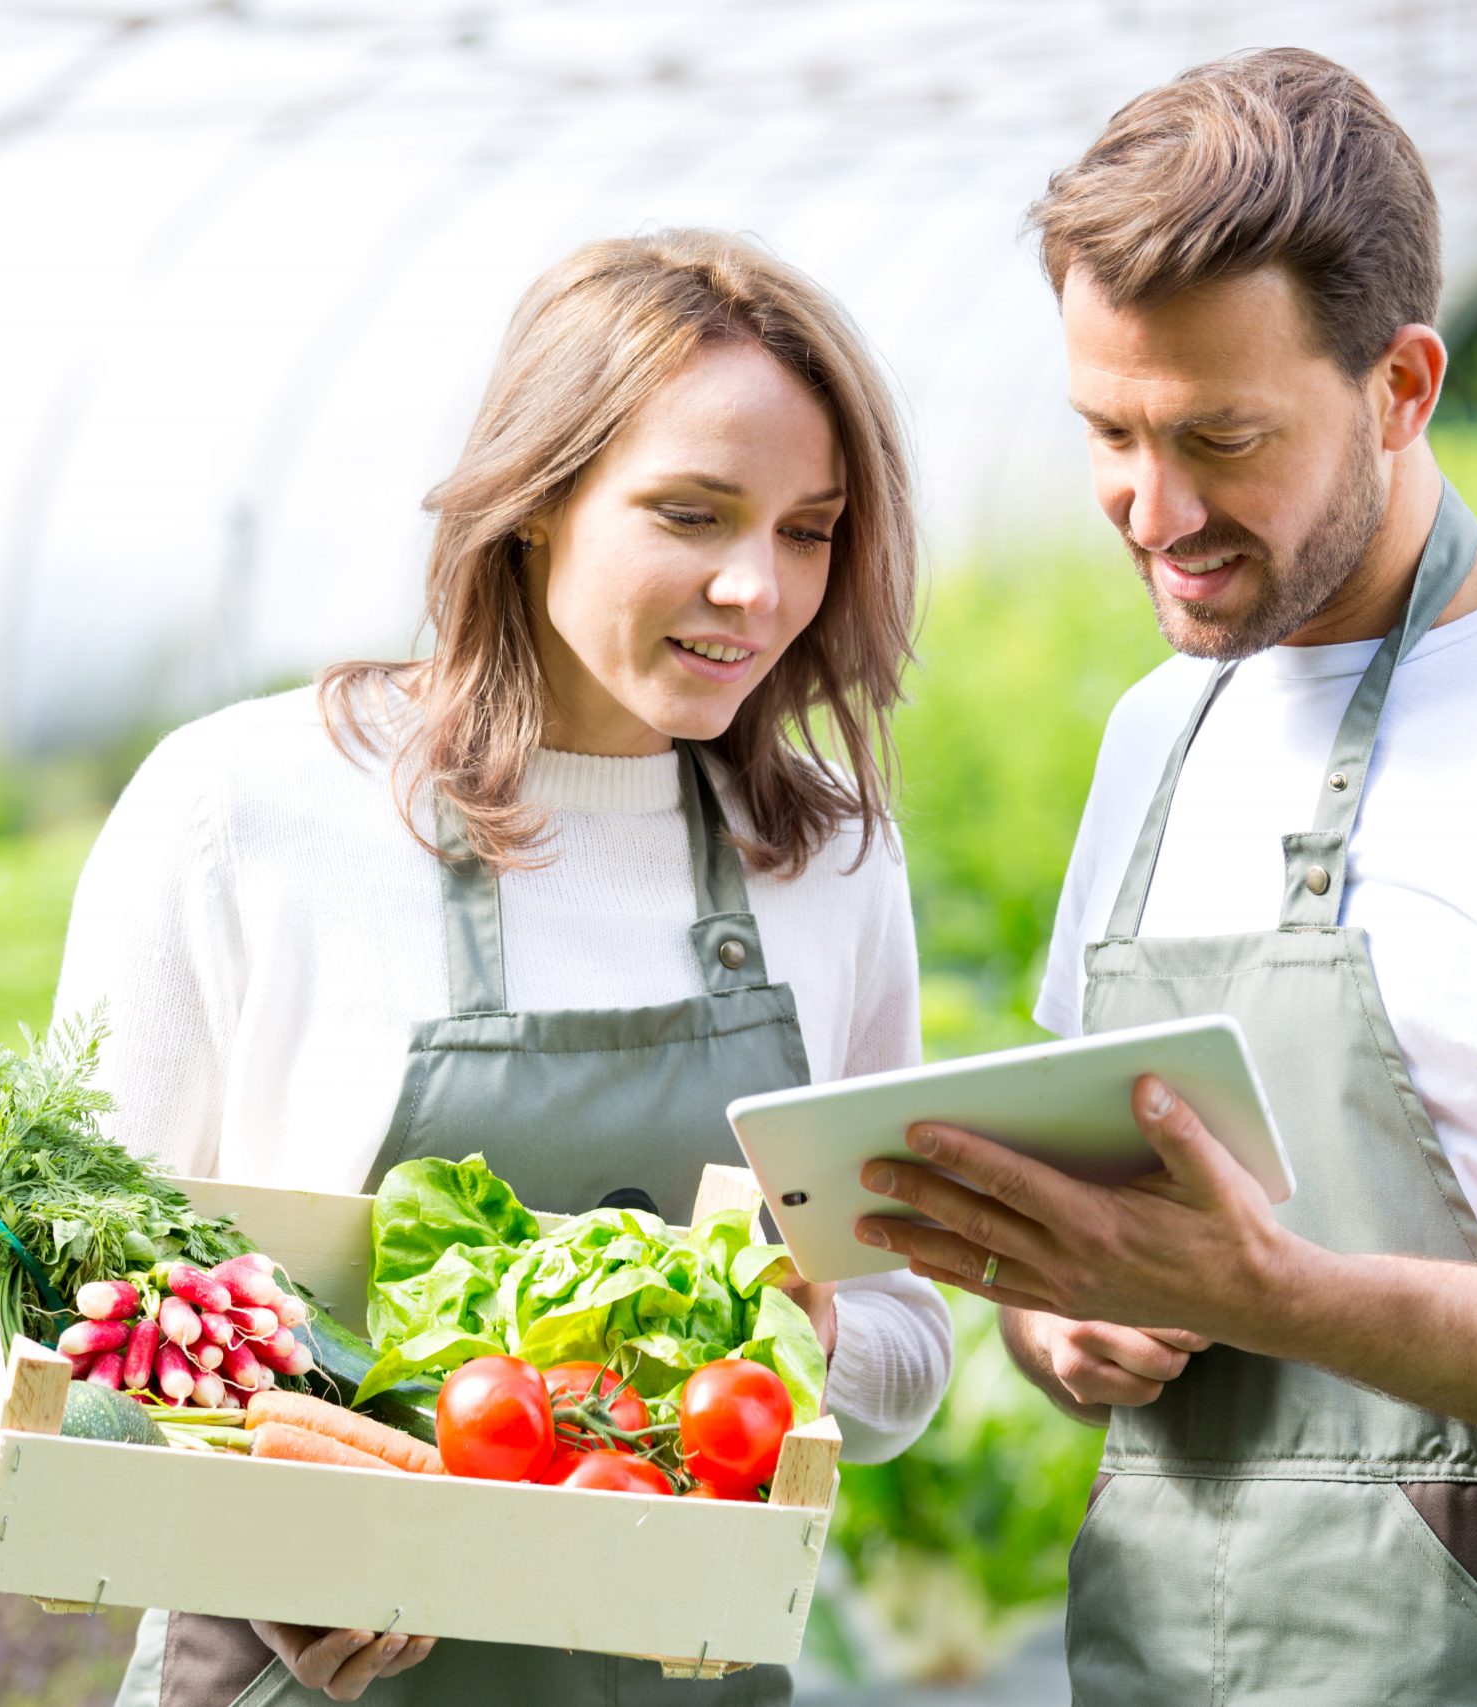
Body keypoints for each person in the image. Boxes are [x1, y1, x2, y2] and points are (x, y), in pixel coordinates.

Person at [856, 48, 1477, 1706]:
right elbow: (1087, 1253)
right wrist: (1067, 1330)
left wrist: (1292, 1299)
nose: (1152, 509)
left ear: (1403, 386)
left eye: (1220, 437)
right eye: (1107, 430)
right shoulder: (1159, 735)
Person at [57, 229, 953, 1707]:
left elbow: (911, 1345)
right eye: (693, 513)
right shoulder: (248, 810)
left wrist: (790, 1336)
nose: (758, 587)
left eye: (809, 530)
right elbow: (77, 1311)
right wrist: (268, 1532)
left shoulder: (831, 863)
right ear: (536, 502)